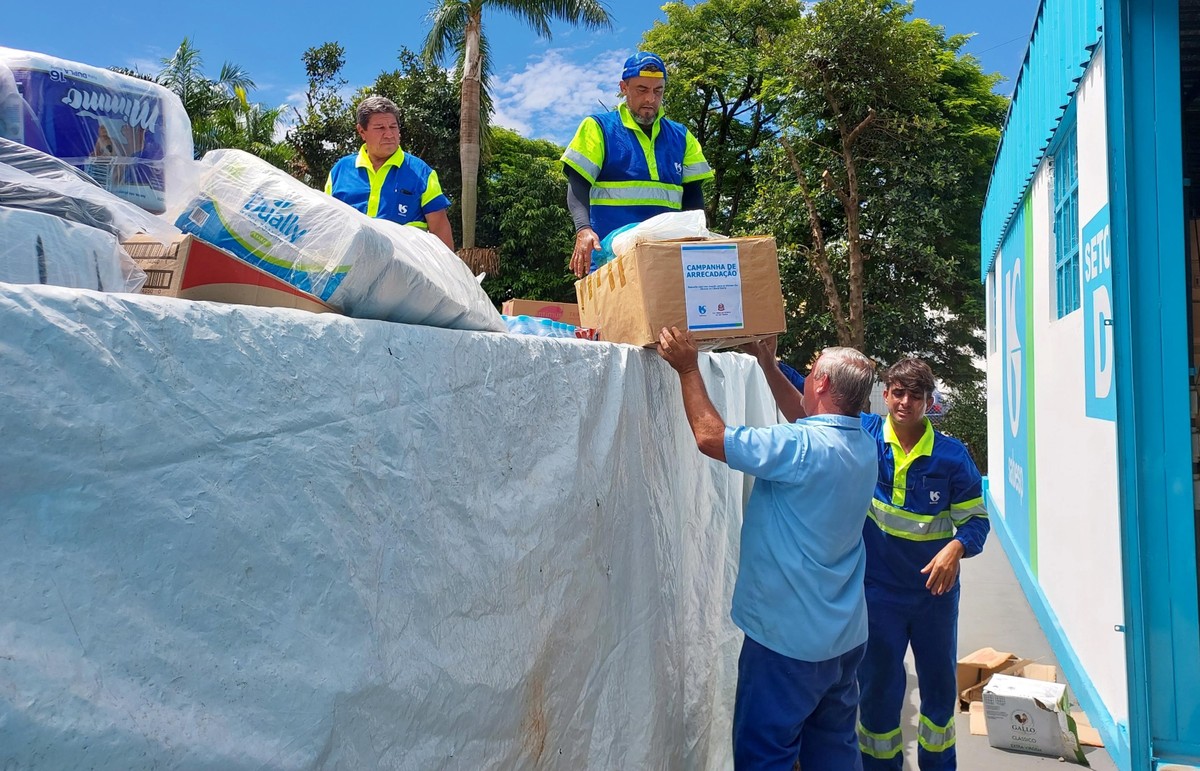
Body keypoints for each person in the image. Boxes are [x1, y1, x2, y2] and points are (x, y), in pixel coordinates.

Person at [658, 328, 877, 770]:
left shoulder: (798, 448)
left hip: (787, 646)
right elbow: (806, 414)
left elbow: (709, 436)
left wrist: (686, 367)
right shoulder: (864, 444)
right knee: (833, 751)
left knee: (765, 756)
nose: (809, 376)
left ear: (822, 384)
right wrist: (767, 365)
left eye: (812, 372)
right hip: (844, 638)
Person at [853, 358, 988, 770]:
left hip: (935, 598)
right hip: (879, 594)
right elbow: (813, 394)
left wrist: (956, 548)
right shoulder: (866, 435)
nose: (905, 402)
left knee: (938, 688)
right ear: (886, 394)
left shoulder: (951, 456)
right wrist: (768, 361)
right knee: (877, 688)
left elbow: (976, 522)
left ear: (930, 402)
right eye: (898, 393)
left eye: (916, 395)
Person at [561, 52, 714, 277]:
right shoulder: (599, 128)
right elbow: (577, 184)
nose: (650, 99)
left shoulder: (682, 137)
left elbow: (693, 197)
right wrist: (583, 229)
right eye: (642, 90)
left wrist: (700, 238)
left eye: (658, 91)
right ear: (624, 88)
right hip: (611, 262)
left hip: (667, 261)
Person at [325, 95, 455, 251]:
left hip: (403, 271)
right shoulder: (340, 170)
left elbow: (439, 227)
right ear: (361, 131)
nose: (389, 134)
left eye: (393, 127)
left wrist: (446, 273)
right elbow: (327, 221)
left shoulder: (421, 172)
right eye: (380, 128)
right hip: (350, 270)